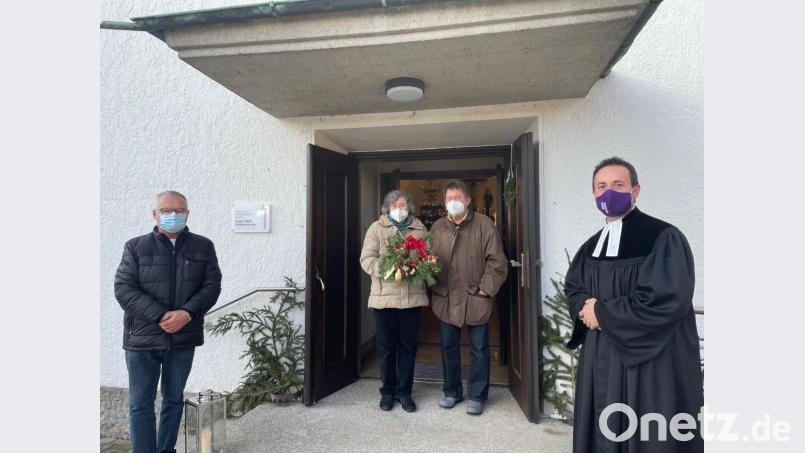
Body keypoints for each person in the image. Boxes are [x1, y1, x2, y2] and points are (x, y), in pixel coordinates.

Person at [565, 157, 703, 452]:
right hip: (601, 356)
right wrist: (585, 309)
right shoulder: (591, 245)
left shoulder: (662, 237)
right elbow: (574, 287)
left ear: (635, 190)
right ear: (593, 194)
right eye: (601, 186)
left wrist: (601, 313)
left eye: (618, 184)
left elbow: (665, 299)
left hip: (649, 361)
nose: (609, 192)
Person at [115, 190, 222, 453]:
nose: (173, 215)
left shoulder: (203, 246)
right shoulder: (135, 247)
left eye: (179, 210)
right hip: (142, 339)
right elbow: (124, 289)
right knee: (140, 403)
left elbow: (211, 286)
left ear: (187, 213)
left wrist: (186, 313)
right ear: (155, 214)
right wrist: (160, 315)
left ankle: (165, 450)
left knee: (173, 400)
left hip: (183, 338)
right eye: (166, 210)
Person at [429, 180, 508, 415]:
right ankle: (451, 391)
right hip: (446, 297)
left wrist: (485, 289)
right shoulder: (437, 227)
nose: (453, 202)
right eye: (449, 198)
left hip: (475, 297)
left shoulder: (484, 225)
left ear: (468, 200)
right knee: (447, 347)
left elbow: (498, 262)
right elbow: (429, 260)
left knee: (479, 348)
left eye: (457, 197)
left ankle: (477, 395)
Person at [359, 190, 429, 412]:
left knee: (408, 348)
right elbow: (367, 259)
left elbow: (429, 256)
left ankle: (405, 393)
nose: (399, 208)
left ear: (410, 207)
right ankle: (387, 391)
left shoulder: (419, 228)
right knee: (386, 348)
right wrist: (391, 266)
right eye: (394, 205)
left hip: (412, 299)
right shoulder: (376, 228)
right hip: (384, 300)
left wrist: (419, 264)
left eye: (403, 204)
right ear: (387, 208)